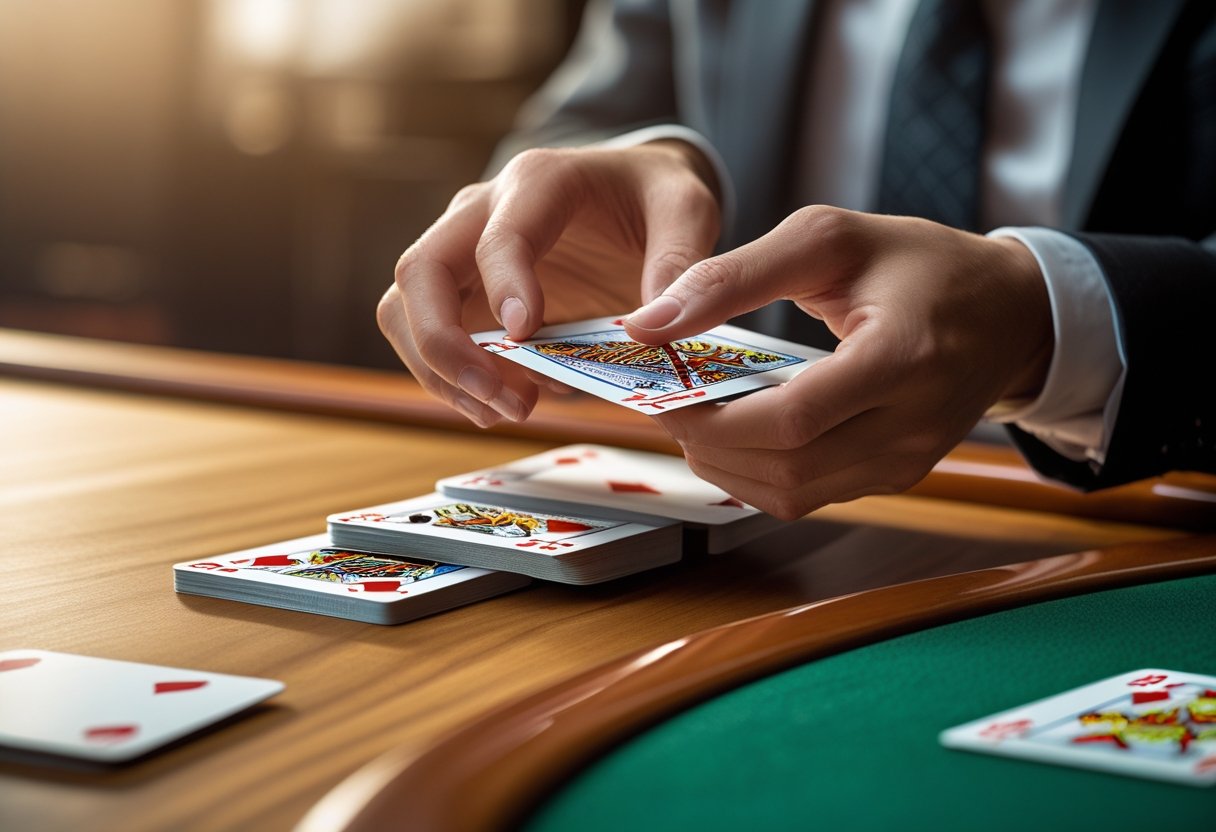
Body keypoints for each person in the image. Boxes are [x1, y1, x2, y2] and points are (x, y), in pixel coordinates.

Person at [378, 0, 1216, 520]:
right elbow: (587, 119)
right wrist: (640, 167)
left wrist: (1045, 323)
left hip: (1142, 521)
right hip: (757, 533)